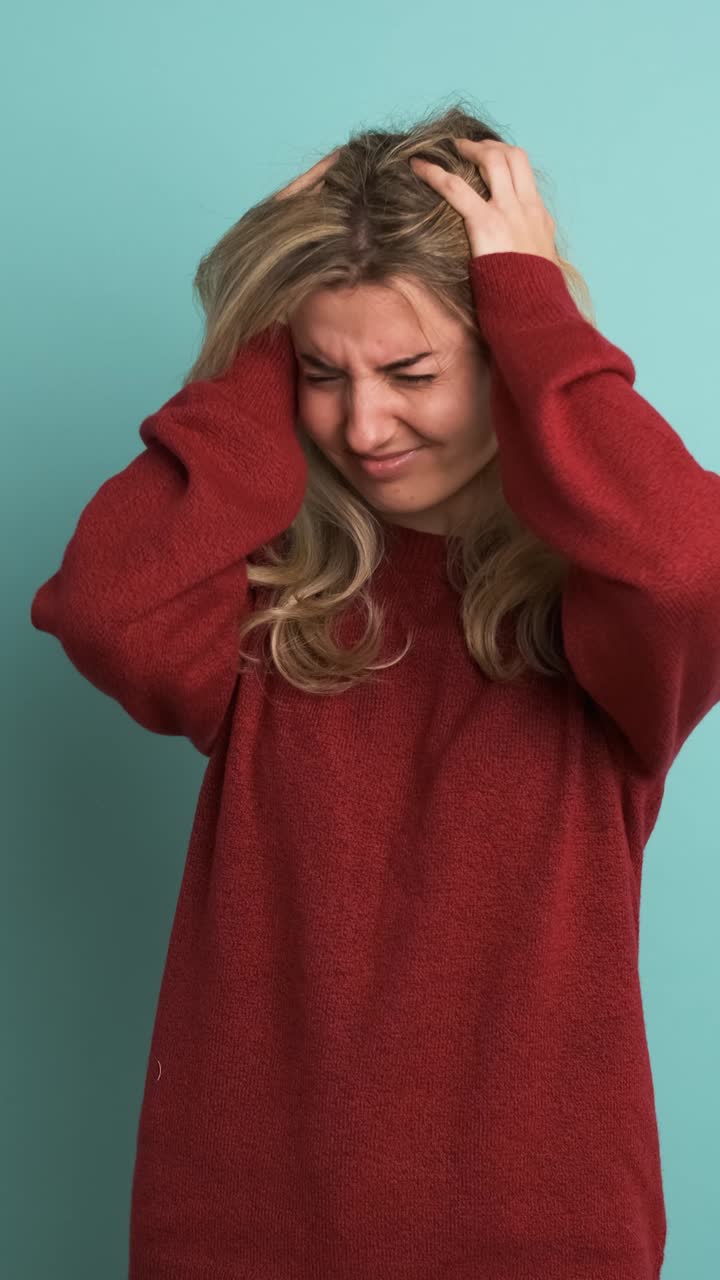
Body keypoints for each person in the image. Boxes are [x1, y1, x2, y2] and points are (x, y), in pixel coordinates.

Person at [30, 104, 720, 1279]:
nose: (362, 423)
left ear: (509, 357)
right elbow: (103, 606)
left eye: (412, 371)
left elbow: (689, 562)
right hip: (240, 1229)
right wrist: (267, 310)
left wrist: (531, 302)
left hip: (543, 1234)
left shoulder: (601, 618)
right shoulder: (259, 608)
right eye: (317, 374)